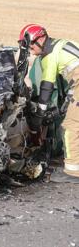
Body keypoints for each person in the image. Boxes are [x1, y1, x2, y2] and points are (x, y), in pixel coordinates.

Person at [18, 24, 79, 183]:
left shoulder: (48, 56)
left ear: (40, 39)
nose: (30, 50)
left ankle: (72, 173)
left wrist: (39, 114)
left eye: (29, 45)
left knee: (71, 124)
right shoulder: (62, 44)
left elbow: (46, 87)